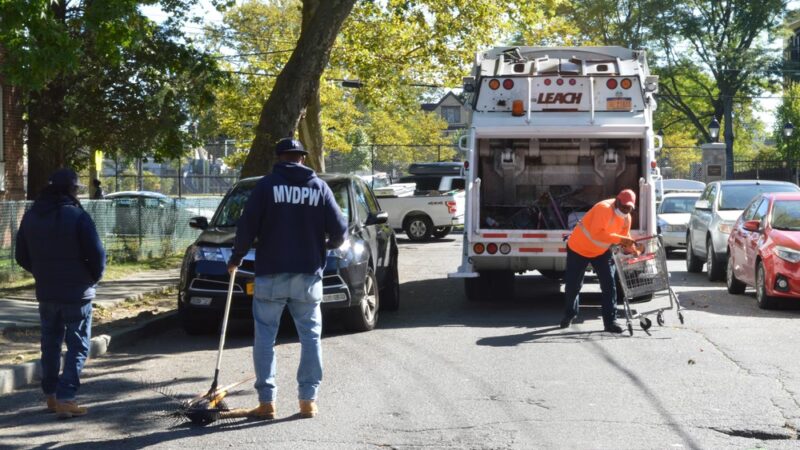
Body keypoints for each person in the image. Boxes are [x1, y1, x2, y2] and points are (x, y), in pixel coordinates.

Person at [227, 138, 347, 420]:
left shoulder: (266, 186)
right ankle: (308, 401)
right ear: (302, 159)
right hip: (307, 275)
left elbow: (247, 226)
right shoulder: (319, 187)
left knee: (265, 337)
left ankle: (267, 402)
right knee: (310, 337)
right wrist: (324, 246)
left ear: (279, 158)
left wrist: (236, 258)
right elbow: (340, 229)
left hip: (270, 273)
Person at [15, 168, 106, 418]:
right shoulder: (78, 216)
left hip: (47, 292)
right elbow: (97, 255)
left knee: (50, 343)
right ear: (71, 190)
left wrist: (41, 272)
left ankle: (52, 396)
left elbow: (21, 255)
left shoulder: (31, 216)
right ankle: (67, 396)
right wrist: (92, 277)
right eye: (76, 189)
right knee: (78, 345)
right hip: (77, 293)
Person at [559, 189, 638, 333]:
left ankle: (610, 322)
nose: (626, 210)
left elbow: (625, 238)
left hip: (601, 252)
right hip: (579, 249)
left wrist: (633, 250)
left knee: (609, 286)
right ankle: (570, 314)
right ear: (617, 201)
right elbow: (598, 233)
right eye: (624, 206)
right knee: (573, 285)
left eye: (629, 208)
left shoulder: (627, 218)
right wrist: (621, 239)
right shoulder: (604, 208)